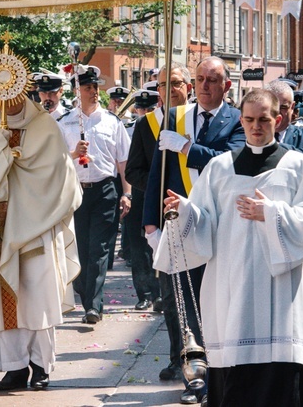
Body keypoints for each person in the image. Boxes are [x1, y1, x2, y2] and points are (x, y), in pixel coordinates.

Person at [154, 89, 303, 406]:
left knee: (280, 383)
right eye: (248, 120)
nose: (255, 127)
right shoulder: (219, 168)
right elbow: (205, 223)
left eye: (263, 119)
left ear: (277, 119)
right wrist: (185, 211)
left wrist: (272, 214)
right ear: (242, 120)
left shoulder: (298, 166)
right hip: (231, 287)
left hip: (279, 292)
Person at [0, 93, 82, 391]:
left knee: (37, 296)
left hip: (37, 225)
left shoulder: (44, 125)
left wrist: (11, 157)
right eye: (3, 95)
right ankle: (14, 368)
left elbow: (60, 176)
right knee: (3, 297)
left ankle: (40, 366)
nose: (9, 101)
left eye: (15, 94)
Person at [143, 56, 245, 404]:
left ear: (226, 86)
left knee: (219, 305)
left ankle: (222, 376)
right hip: (181, 226)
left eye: (212, 80)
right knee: (187, 305)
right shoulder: (175, 117)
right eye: (199, 78)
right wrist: (149, 223)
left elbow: (229, 162)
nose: (204, 86)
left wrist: (186, 147)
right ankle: (195, 380)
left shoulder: (237, 120)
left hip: (220, 225)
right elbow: (157, 174)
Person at [126, 65, 191, 375]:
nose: (171, 89)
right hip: (165, 217)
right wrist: (158, 184)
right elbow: (132, 171)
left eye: (176, 83)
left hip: (201, 215)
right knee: (170, 293)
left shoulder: (197, 121)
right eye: (164, 84)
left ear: (188, 87)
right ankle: (177, 357)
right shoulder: (147, 125)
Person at [57, 65, 132, 325]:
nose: (93, 92)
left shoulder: (112, 122)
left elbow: (123, 161)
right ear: (77, 91)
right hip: (75, 192)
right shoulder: (65, 123)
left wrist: (127, 193)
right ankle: (85, 292)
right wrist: (72, 154)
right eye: (87, 88)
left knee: (99, 248)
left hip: (105, 190)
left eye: (95, 87)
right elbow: (53, 162)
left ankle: (93, 306)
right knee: (81, 249)